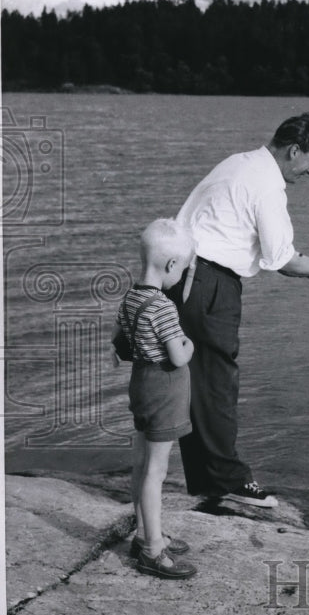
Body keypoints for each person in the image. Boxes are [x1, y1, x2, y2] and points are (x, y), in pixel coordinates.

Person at [169, 112, 309, 507]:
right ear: (294, 151)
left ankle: (209, 482)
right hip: (210, 284)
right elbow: (282, 259)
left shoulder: (238, 163)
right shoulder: (267, 185)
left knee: (196, 384)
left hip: (181, 277)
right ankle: (229, 481)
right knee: (217, 385)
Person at [113, 218, 197, 580]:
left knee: (141, 462)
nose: (180, 277)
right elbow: (177, 356)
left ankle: (144, 534)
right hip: (164, 390)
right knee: (156, 471)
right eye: (183, 269)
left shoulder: (131, 297)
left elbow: (119, 342)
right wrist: (190, 344)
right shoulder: (163, 306)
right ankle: (152, 550)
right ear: (172, 264)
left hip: (141, 385)